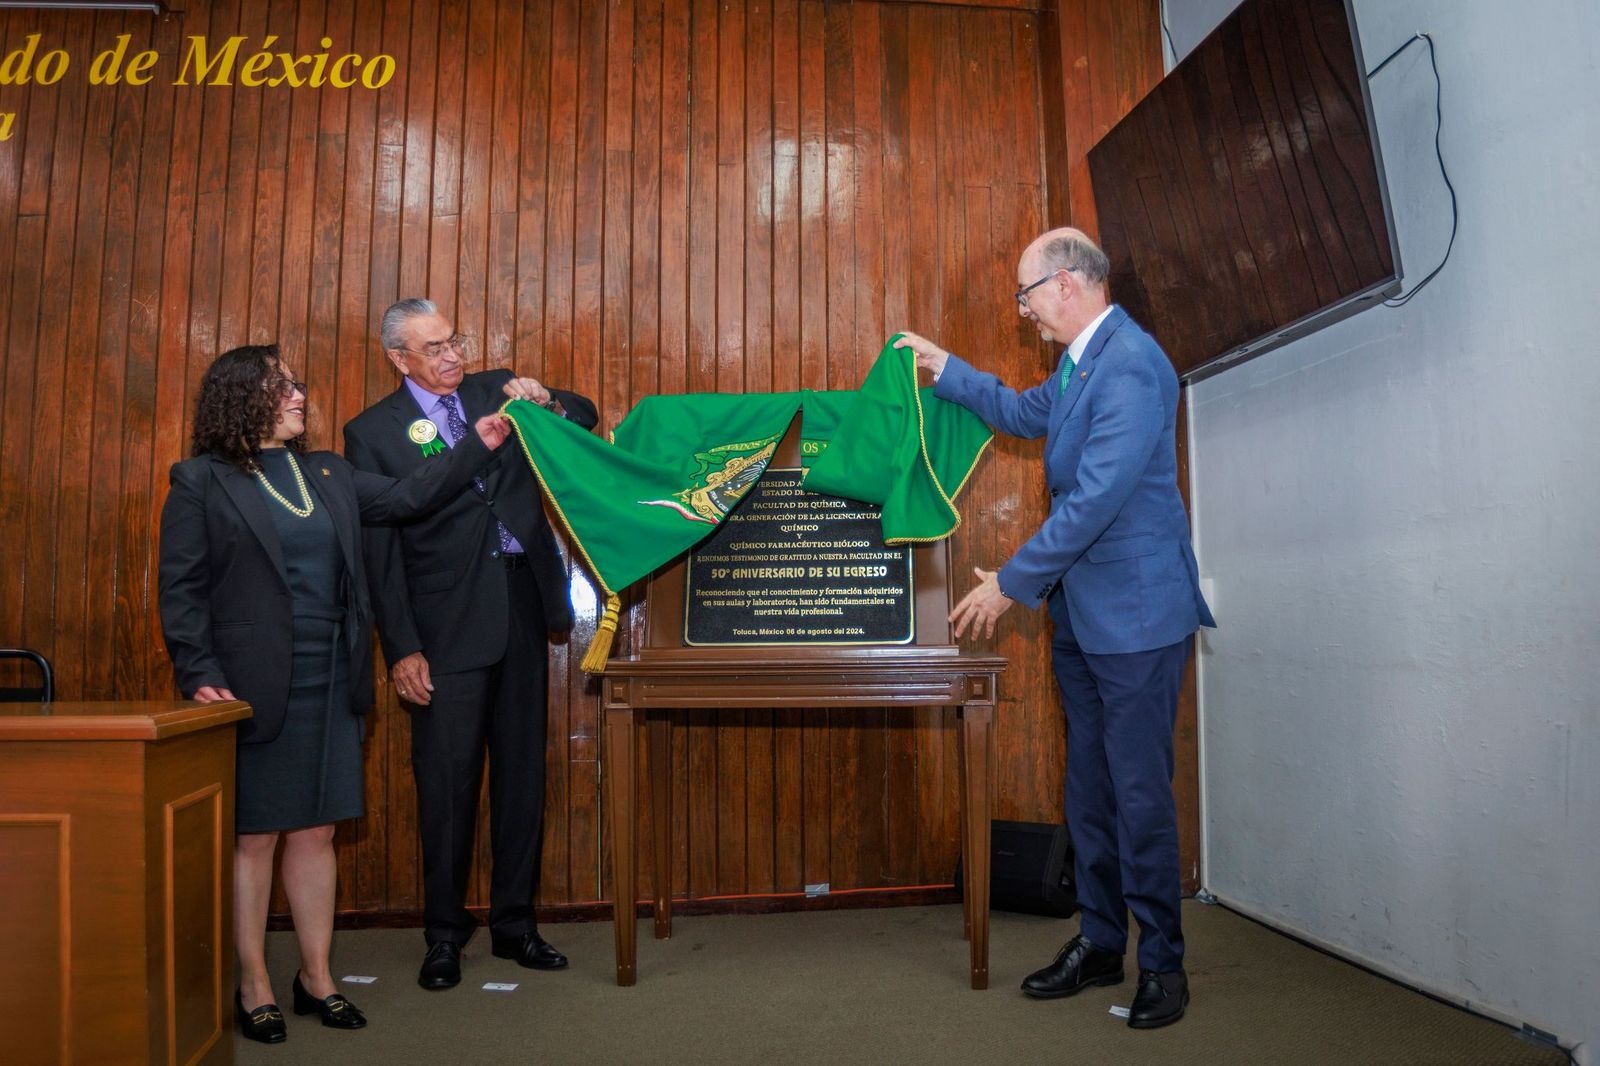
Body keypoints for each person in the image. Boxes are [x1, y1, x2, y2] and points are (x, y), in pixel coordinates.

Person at [894, 227, 1215, 1030]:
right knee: (1091, 787)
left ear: (1068, 284)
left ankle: (1164, 966)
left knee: (1138, 793)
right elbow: (1020, 411)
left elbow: (1097, 499)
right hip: (1084, 612)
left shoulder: (1135, 365)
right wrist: (948, 372)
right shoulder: (1078, 366)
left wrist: (1008, 584)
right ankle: (1102, 940)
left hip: (1138, 617)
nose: (1025, 310)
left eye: (1026, 293)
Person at [158, 344, 512, 1044]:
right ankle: (254, 981)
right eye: (281, 387)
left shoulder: (326, 471)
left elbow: (412, 495)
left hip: (330, 673)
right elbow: (182, 589)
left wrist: (480, 442)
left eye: (296, 385)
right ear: (241, 399)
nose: (299, 396)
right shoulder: (201, 480)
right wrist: (199, 672)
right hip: (250, 681)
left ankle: (316, 976)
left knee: (318, 830)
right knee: (255, 836)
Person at [343, 299, 599, 990]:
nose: (452, 356)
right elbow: (380, 548)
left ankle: (516, 924)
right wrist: (401, 646)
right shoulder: (371, 432)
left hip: (521, 604)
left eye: (454, 341)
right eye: (434, 348)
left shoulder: (498, 388)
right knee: (447, 786)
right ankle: (445, 934)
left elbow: (586, 414)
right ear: (400, 359)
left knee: (523, 777)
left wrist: (547, 396)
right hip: (443, 623)